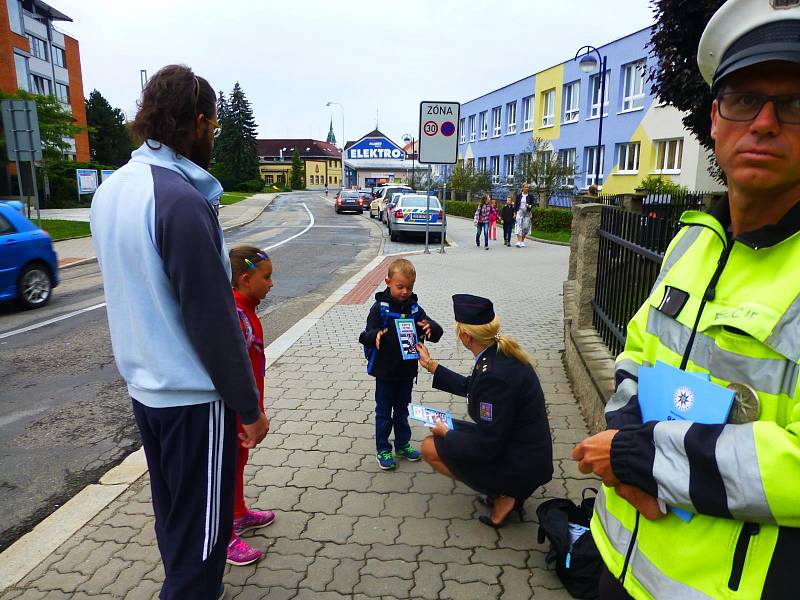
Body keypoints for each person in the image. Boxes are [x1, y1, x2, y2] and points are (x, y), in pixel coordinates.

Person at [572, 2, 800, 598]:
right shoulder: (693, 241)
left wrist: (641, 461)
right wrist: (627, 450)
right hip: (619, 560)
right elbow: (635, 359)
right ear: (715, 120)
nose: (766, 122)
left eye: (795, 105)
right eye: (745, 99)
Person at [90, 65, 268, 600]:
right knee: (203, 547)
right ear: (196, 122)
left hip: (146, 391)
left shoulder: (112, 190)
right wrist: (249, 406)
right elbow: (212, 319)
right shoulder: (181, 200)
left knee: (175, 524)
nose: (213, 135)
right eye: (212, 125)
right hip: (195, 400)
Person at [417, 294, 553, 528]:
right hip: (521, 448)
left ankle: (505, 494)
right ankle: (503, 489)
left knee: (429, 447)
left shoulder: (494, 375)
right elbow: (473, 386)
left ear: (466, 336)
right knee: (447, 427)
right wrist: (432, 366)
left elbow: (487, 447)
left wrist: (447, 435)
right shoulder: (497, 354)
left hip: (520, 463)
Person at [358, 258, 444, 470]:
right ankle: (383, 448)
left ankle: (402, 444)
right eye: (400, 286)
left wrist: (430, 327)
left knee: (403, 412)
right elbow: (364, 335)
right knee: (384, 413)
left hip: (406, 372)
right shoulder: (380, 308)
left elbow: (435, 332)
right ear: (388, 282)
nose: (405, 291)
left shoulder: (415, 309)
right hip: (385, 373)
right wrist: (374, 335)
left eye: (410, 287)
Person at [226, 246, 277, 566]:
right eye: (266, 277)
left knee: (239, 461)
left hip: (247, 407)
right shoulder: (236, 314)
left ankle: (238, 512)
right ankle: (224, 537)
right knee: (226, 466)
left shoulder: (247, 307)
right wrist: (248, 413)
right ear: (245, 279)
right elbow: (232, 369)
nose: (272, 283)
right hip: (235, 413)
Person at [514, 183, 534, 247]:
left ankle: (522, 241)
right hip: (520, 211)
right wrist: (515, 213)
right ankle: (518, 241)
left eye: (527, 187)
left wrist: (529, 206)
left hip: (527, 212)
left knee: (525, 227)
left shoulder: (530, 196)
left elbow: (533, 204)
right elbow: (516, 204)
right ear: (522, 188)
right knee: (518, 226)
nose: (526, 188)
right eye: (525, 187)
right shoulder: (518, 195)